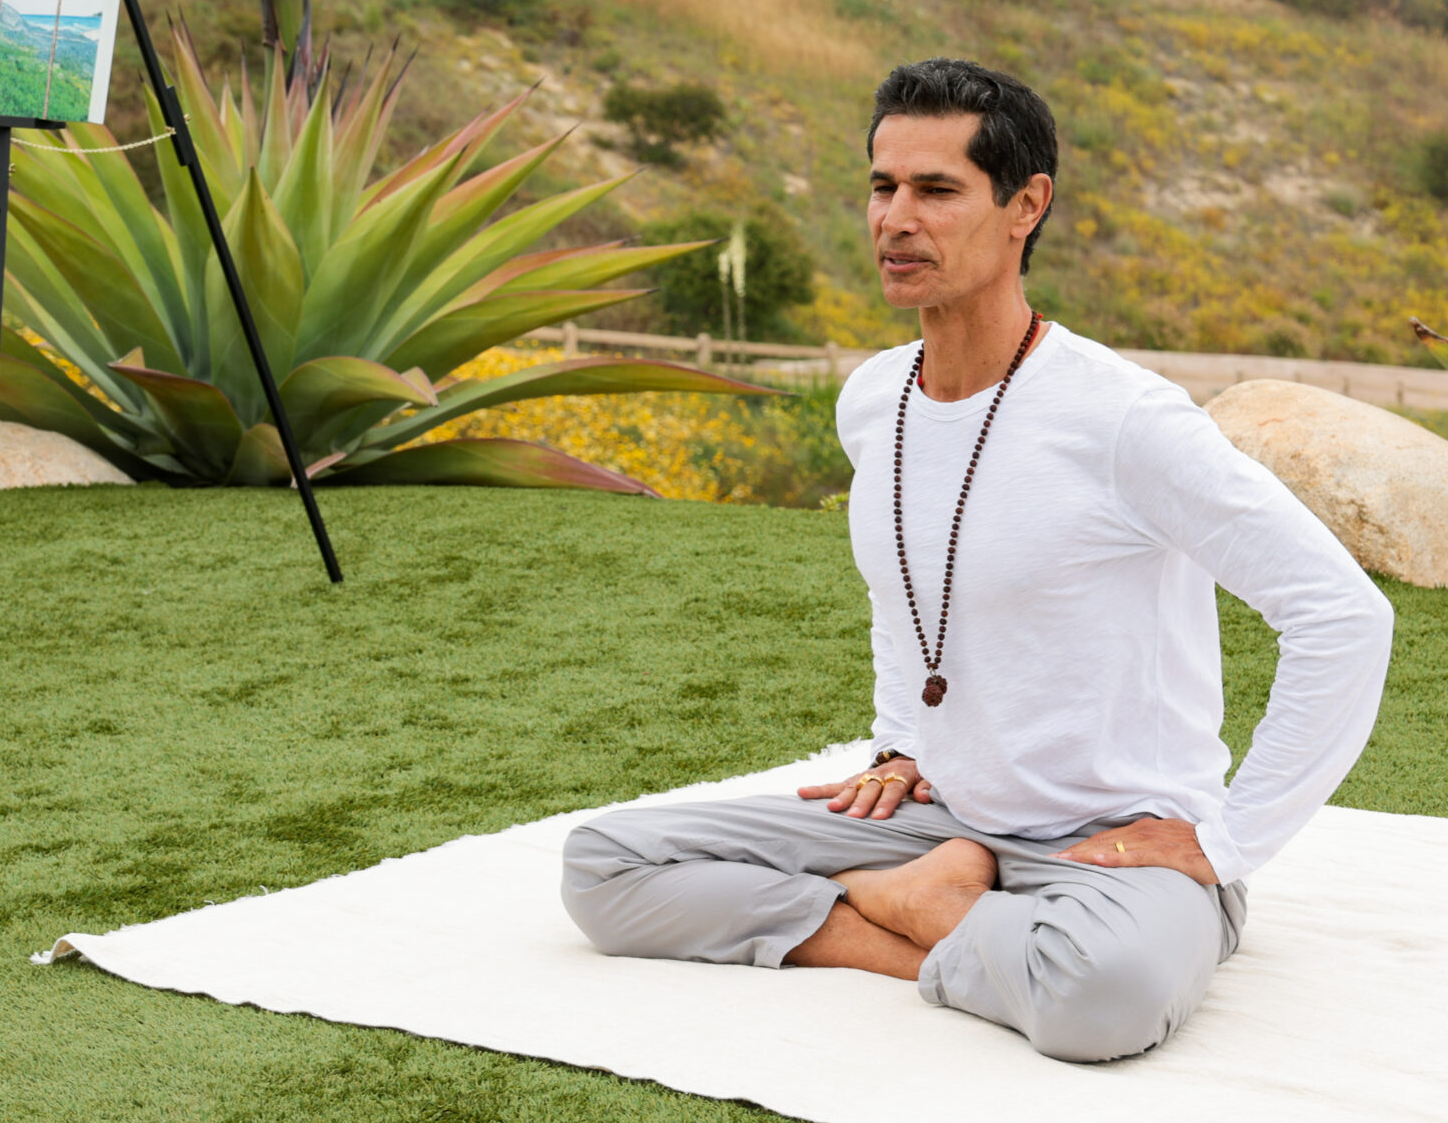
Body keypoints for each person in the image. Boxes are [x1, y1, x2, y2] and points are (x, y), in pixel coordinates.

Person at [561, 58, 1393, 1063]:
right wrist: (902, 743)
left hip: (1110, 848)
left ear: (1024, 206)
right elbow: (909, 596)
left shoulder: (1124, 419)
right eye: (883, 187)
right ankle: (923, 911)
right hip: (937, 820)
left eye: (937, 190)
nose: (896, 219)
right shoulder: (874, 400)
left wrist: (1227, 842)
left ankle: (901, 909)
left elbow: (1342, 615)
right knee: (603, 868)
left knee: (1105, 994)